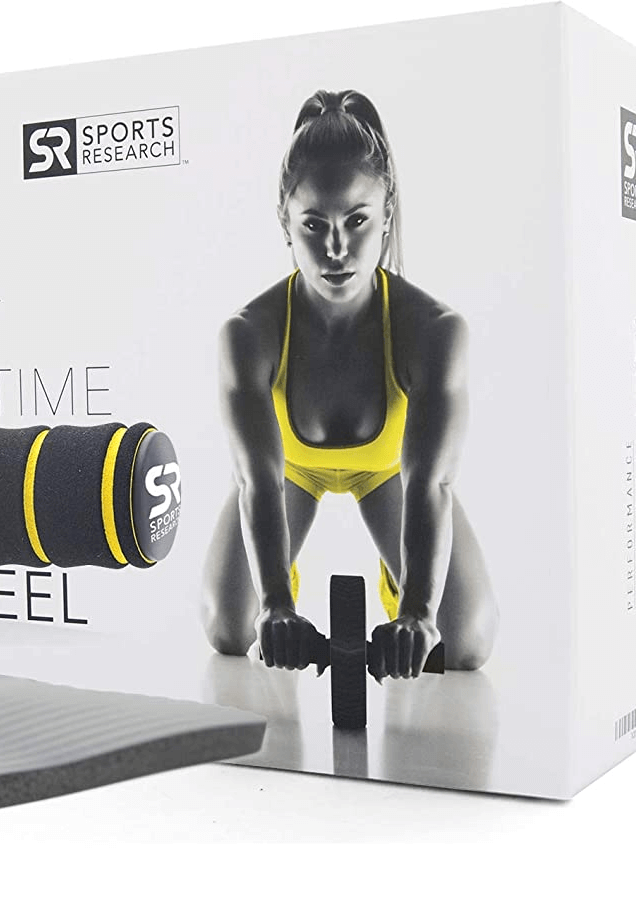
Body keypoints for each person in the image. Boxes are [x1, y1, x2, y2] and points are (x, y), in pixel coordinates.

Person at [202, 89, 497, 679]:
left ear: (386, 215)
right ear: (285, 224)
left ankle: (399, 580)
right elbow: (257, 480)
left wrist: (418, 613)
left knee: (465, 643)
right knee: (231, 630)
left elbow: (430, 483)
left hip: (389, 474)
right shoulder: (248, 334)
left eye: (356, 220)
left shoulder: (434, 331)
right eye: (314, 224)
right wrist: (275, 604)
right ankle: (279, 574)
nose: (336, 249)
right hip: (288, 474)